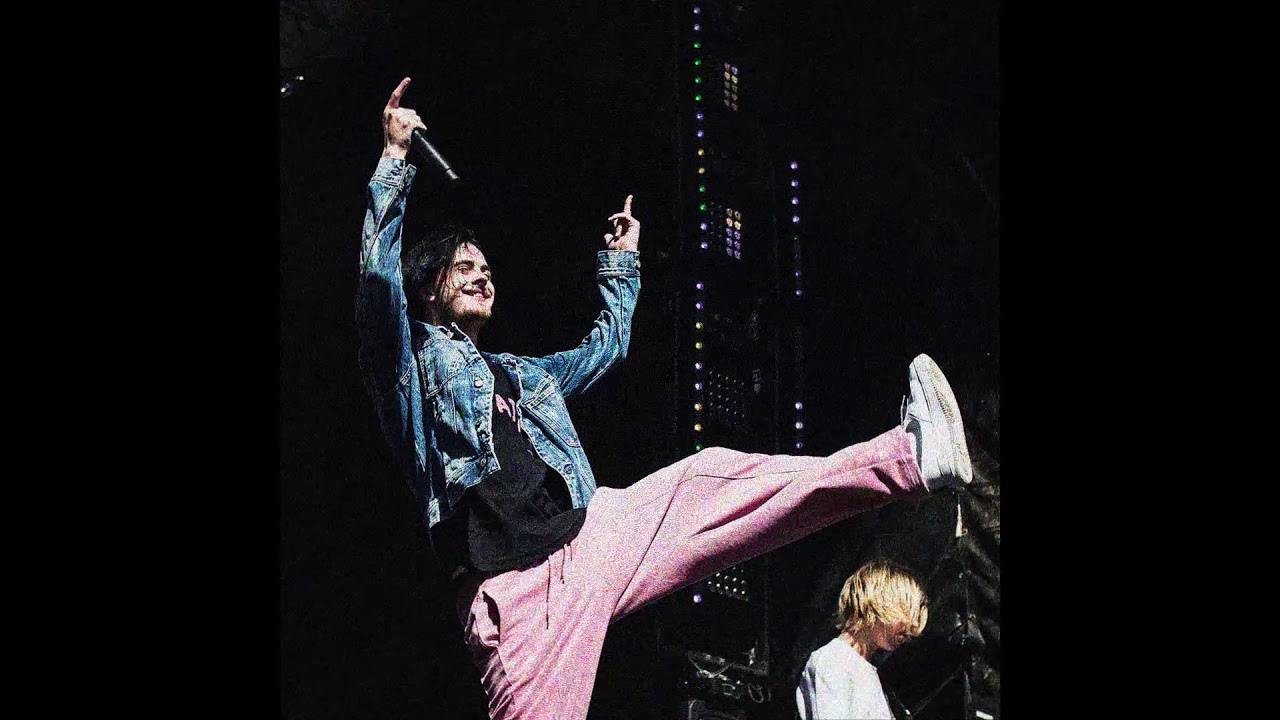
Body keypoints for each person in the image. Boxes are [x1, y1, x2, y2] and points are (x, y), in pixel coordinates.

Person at [356, 77, 973, 720]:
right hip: (517, 596)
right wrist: (394, 160)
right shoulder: (413, 369)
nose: (483, 276)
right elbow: (377, 292)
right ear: (428, 288)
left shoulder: (522, 376)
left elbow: (606, 348)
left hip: (587, 540)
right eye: (465, 267)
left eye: (486, 268)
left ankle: (910, 456)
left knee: (710, 478)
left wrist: (621, 264)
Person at [796, 561, 929, 720]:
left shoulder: (864, 670)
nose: (912, 626)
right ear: (879, 603)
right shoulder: (834, 661)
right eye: (906, 614)